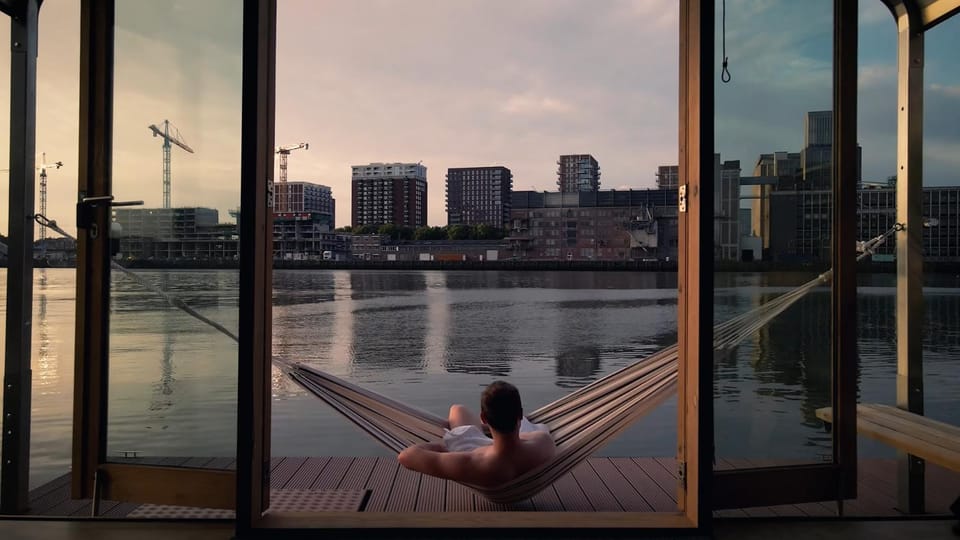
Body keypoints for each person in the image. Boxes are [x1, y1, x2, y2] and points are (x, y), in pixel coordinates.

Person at [397, 381, 556, 488]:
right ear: (520, 414)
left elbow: (405, 457)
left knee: (457, 409)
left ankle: (477, 427)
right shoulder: (543, 443)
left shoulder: (468, 462)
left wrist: (439, 446)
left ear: (484, 418)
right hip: (512, 451)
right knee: (459, 411)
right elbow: (523, 439)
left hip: (480, 454)